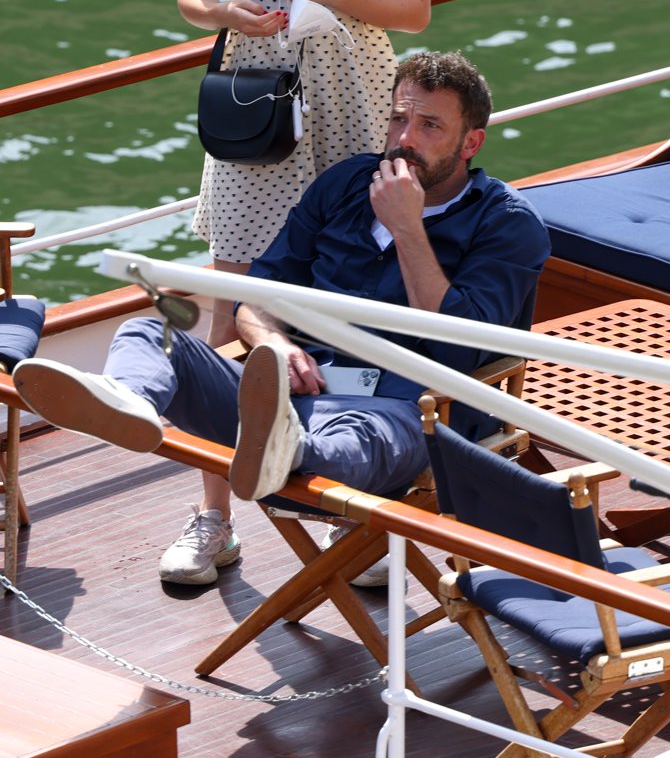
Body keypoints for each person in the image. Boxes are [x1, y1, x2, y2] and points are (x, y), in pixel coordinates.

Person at [13, 53, 550, 588]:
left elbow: (457, 351)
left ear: (471, 142)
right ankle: (130, 401)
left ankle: (287, 452)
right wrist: (274, 342)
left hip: (408, 409)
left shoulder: (506, 224)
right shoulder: (344, 185)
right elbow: (257, 295)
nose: (405, 137)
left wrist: (408, 228)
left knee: (357, 438)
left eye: (429, 125)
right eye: (397, 118)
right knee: (153, 331)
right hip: (288, 395)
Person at [177, 0, 430, 574]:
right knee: (232, 293)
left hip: (354, 92)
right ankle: (213, 519)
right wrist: (225, 12)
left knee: (356, 291)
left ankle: (351, 503)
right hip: (257, 98)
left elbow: (414, 6)